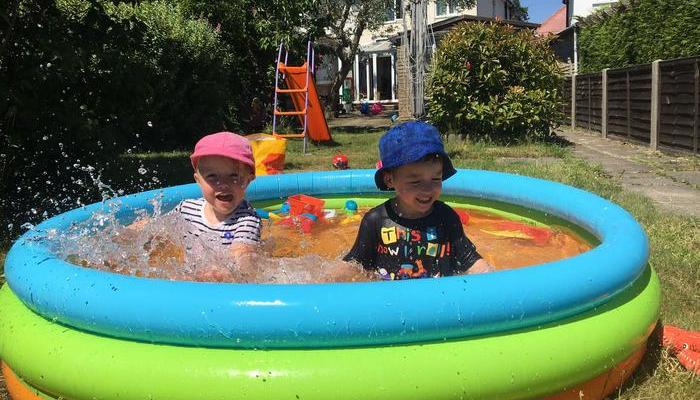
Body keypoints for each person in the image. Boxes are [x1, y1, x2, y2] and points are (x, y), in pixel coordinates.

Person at [343, 121, 494, 280]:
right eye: (415, 182)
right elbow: (354, 264)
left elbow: (470, 260)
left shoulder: (447, 217)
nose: (428, 189)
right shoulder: (375, 221)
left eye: (436, 179)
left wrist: (492, 280)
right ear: (389, 180)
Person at [174, 131, 261, 281]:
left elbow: (242, 257)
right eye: (212, 176)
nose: (223, 184)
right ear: (198, 180)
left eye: (234, 176)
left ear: (248, 180)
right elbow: (156, 228)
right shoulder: (186, 209)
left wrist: (222, 273)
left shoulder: (247, 220)